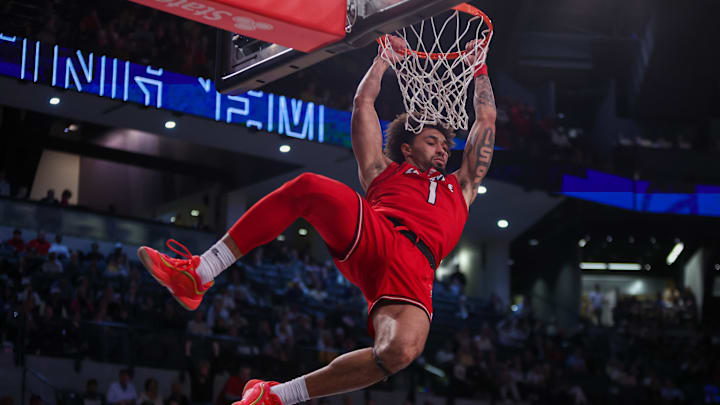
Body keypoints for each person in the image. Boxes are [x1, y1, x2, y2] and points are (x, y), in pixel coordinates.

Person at [138, 35, 496, 405]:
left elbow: (486, 118)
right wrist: (383, 59)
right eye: (432, 141)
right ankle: (199, 273)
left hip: (416, 271)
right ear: (407, 148)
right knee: (309, 186)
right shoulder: (383, 171)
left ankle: (276, 396)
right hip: (377, 234)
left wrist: (479, 69)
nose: (442, 149)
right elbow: (363, 102)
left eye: (444, 144)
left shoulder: (462, 186)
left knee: (400, 351)